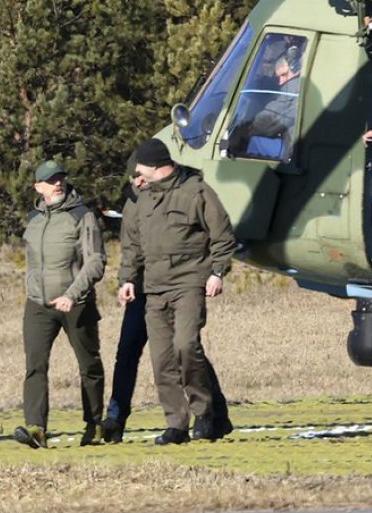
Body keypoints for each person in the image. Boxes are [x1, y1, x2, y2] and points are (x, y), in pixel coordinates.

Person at [117, 139, 236, 445]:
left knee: (186, 345)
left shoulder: (197, 192)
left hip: (189, 282)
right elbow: (132, 244)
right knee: (162, 360)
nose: (137, 174)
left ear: (155, 166)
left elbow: (222, 235)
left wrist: (217, 272)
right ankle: (176, 424)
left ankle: (205, 411)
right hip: (154, 289)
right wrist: (128, 279)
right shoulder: (142, 199)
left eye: (141, 167)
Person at [14, 160, 107, 449]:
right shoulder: (34, 219)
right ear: (38, 187)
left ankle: (94, 425)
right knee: (35, 366)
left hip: (76, 303)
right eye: (51, 179)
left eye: (61, 178)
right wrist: (32, 290)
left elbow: (96, 261)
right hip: (38, 305)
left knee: (89, 365)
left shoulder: (82, 216)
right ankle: (36, 428)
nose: (58, 183)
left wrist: (72, 293)